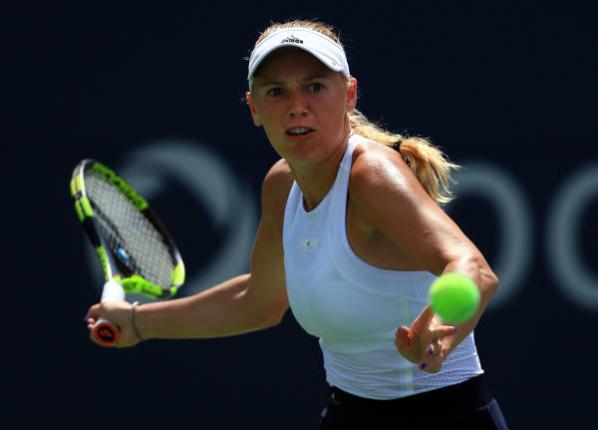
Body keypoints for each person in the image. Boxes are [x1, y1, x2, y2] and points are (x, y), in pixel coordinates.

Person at [86, 19, 509, 429]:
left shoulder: (373, 176)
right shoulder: (281, 185)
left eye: (315, 86)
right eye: (276, 91)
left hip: (445, 417)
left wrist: (441, 328)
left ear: (350, 95)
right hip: (349, 414)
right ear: (254, 108)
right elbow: (259, 302)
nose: (296, 105)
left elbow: (472, 268)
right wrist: (139, 323)